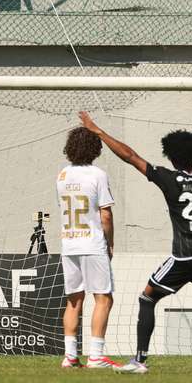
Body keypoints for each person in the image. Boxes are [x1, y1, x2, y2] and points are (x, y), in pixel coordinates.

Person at [78, 88, 192, 375]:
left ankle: (140, 361)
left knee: (147, 297)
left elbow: (130, 156)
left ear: (172, 156)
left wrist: (98, 131)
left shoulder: (168, 179)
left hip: (185, 257)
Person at [57, 128, 119, 369]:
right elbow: (106, 214)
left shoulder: (62, 175)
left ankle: (70, 356)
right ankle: (96, 355)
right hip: (92, 243)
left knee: (74, 300)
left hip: (69, 242)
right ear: (95, 149)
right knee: (103, 298)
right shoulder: (97, 175)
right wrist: (110, 242)